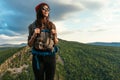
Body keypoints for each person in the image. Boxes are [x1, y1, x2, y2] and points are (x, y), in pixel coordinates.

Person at [27, 2, 59, 80]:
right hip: (38, 57)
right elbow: (30, 44)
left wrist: (55, 35)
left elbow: (55, 42)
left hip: (50, 56)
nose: (46, 10)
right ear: (39, 11)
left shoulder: (52, 25)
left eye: (48, 9)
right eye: (44, 9)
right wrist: (34, 35)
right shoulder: (32, 26)